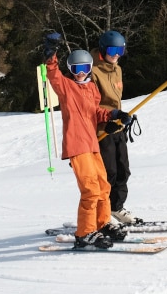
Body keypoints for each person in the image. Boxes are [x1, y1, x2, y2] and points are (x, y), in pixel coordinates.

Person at [42, 33, 132, 248]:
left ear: (90, 69)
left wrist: (114, 115)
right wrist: (50, 53)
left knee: (103, 186)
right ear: (70, 70)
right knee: (90, 190)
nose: (80, 74)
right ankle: (84, 233)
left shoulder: (91, 89)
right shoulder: (66, 88)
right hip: (77, 146)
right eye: (76, 69)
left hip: (92, 144)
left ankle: (102, 224)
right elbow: (53, 74)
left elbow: (95, 112)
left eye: (84, 69)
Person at [91, 30, 142, 224]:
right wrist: (106, 122)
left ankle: (116, 208)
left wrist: (121, 116)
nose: (117, 54)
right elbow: (91, 106)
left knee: (123, 171)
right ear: (103, 49)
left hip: (118, 128)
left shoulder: (117, 69)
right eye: (113, 49)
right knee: (108, 174)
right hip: (102, 131)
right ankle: (101, 214)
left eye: (121, 49)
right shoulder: (93, 72)